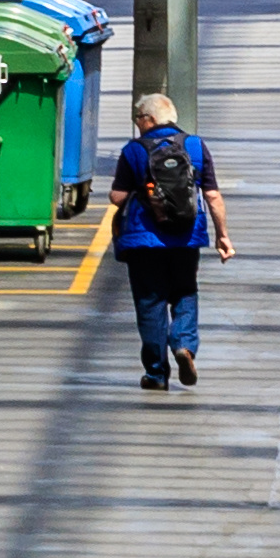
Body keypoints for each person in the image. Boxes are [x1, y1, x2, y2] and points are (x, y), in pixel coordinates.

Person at [109, 88, 228, 389]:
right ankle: (184, 344)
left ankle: (156, 373)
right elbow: (212, 196)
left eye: (138, 118)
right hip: (187, 237)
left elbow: (117, 196)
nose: (137, 123)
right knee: (185, 292)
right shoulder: (195, 146)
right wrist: (222, 236)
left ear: (149, 119)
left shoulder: (134, 151)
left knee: (150, 303)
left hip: (143, 241)